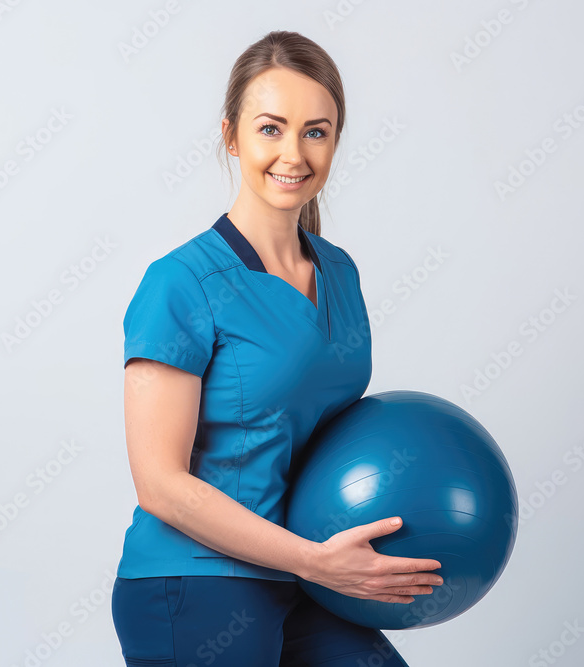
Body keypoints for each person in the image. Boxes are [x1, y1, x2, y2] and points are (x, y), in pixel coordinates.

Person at [111, 30, 443, 666]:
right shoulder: (180, 283)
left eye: (315, 131)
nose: (293, 152)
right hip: (196, 581)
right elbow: (160, 484)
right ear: (232, 137)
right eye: (271, 128)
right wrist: (317, 562)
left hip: (301, 576)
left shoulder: (340, 274)